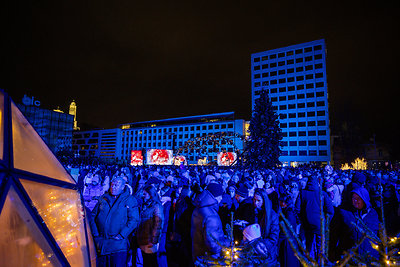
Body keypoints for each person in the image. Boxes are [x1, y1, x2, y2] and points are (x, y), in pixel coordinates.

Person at [90, 176, 140, 267]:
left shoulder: (129, 200)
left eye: (117, 185)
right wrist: (96, 234)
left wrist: (122, 235)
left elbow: (134, 220)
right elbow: (92, 216)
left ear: (122, 187)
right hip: (102, 244)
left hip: (118, 245)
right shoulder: (103, 198)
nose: (114, 187)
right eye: (112, 185)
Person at [329, 187, 380, 262]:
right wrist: (332, 253)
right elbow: (333, 234)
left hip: (370, 256)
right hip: (349, 256)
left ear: (364, 199)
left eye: (358, 198)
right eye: (353, 198)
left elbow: (379, 234)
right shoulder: (344, 212)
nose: (355, 201)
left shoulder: (373, 214)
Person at [191, 183, 230, 262]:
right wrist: (226, 243)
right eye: (220, 195)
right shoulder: (211, 215)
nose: (221, 198)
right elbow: (213, 244)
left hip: (197, 253)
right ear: (216, 196)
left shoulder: (199, 207)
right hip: (209, 258)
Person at [137, 185, 164, 267]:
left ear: (150, 194)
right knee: (146, 261)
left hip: (149, 240)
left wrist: (153, 240)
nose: (143, 196)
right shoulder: (146, 205)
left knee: (151, 262)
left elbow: (158, 224)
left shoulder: (156, 206)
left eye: (145, 194)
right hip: (144, 238)